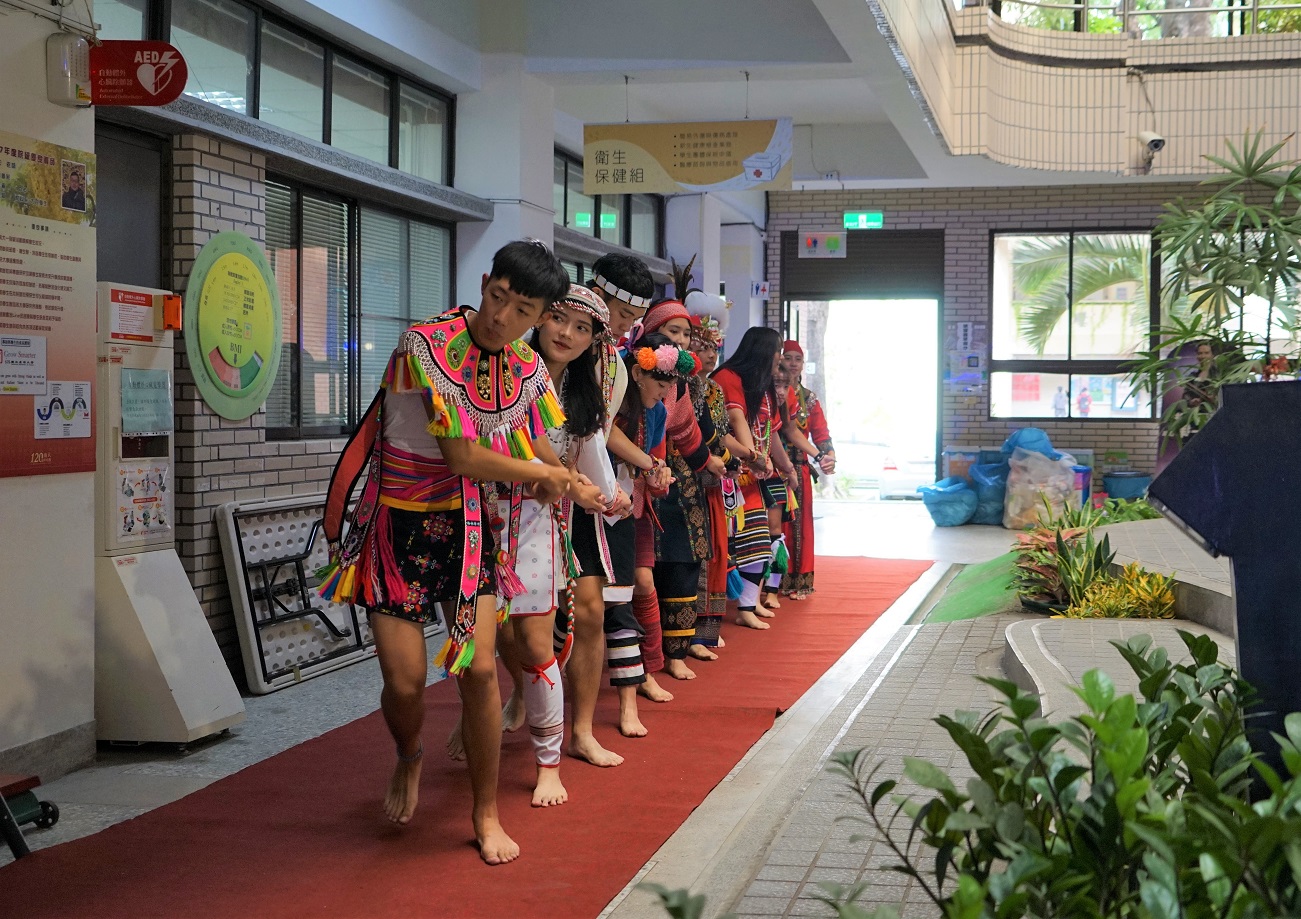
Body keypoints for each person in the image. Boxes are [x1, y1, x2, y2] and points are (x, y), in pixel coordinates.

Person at [318, 239, 574, 865]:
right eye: (497, 297)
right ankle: (409, 753)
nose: (501, 317)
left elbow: (531, 438)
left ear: (539, 318)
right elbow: (462, 455)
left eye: (521, 311)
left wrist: (566, 478)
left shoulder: (526, 368)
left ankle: (486, 813)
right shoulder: (425, 346)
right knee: (404, 683)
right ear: (485, 282)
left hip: (468, 531)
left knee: (480, 670)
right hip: (396, 528)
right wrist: (544, 476)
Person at [497, 284, 621, 807]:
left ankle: (570, 741)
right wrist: (577, 485)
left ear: (593, 340)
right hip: (486, 515)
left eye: (581, 328)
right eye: (559, 319)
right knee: (488, 639)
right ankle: (490, 709)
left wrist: (607, 495)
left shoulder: (583, 392)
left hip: (546, 521)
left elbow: (591, 455)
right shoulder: (505, 369)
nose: (566, 333)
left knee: (563, 627)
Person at [637, 287, 728, 682]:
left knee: (685, 562)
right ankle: (644, 660)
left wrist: (711, 461)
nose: (680, 341)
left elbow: (692, 430)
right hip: (641, 484)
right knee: (645, 573)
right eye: (673, 331)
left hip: (683, 483)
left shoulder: (687, 383)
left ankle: (675, 652)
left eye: (686, 334)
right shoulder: (635, 373)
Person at [608, 332, 681, 736]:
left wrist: (657, 475)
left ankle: (647, 671)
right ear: (636, 372)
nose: (667, 390)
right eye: (661, 382)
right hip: (591, 506)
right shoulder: (611, 394)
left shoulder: (657, 412)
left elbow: (654, 462)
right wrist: (650, 465)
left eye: (671, 383)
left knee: (638, 585)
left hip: (630, 510)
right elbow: (604, 435)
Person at [778, 341, 835, 600]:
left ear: (803, 364)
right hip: (773, 468)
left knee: (800, 527)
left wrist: (829, 457)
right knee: (774, 527)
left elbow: (821, 434)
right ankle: (771, 584)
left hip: (799, 469)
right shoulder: (771, 393)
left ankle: (798, 582)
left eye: (797, 359)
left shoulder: (809, 399)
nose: (792, 363)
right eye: (787, 357)